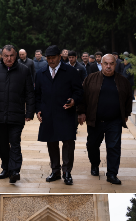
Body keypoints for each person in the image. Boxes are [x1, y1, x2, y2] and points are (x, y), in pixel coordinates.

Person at [0, 44, 35, 184]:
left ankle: (14, 171)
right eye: (6, 56)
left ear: (15, 55)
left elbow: (30, 93)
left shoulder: (24, 70)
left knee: (15, 143)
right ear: (1, 56)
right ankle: (6, 168)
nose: (9, 59)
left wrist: (29, 111)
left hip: (16, 114)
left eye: (11, 56)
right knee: (2, 144)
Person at [78, 53, 133, 185]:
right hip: (95, 119)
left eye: (111, 64)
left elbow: (128, 99)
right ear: (101, 64)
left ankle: (112, 174)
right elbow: (82, 96)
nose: (108, 66)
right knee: (92, 146)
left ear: (115, 64)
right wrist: (81, 112)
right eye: (106, 63)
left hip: (114, 121)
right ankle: (95, 164)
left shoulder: (122, 81)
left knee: (114, 147)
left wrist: (125, 114)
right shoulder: (91, 78)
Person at [35, 45, 83, 186]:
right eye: (48, 58)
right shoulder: (41, 73)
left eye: (53, 58)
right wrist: (38, 109)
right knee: (52, 142)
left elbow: (79, 91)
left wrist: (74, 101)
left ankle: (67, 172)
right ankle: (55, 171)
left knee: (68, 143)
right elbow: (37, 94)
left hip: (66, 112)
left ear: (60, 57)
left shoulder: (71, 71)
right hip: (48, 114)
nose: (51, 61)